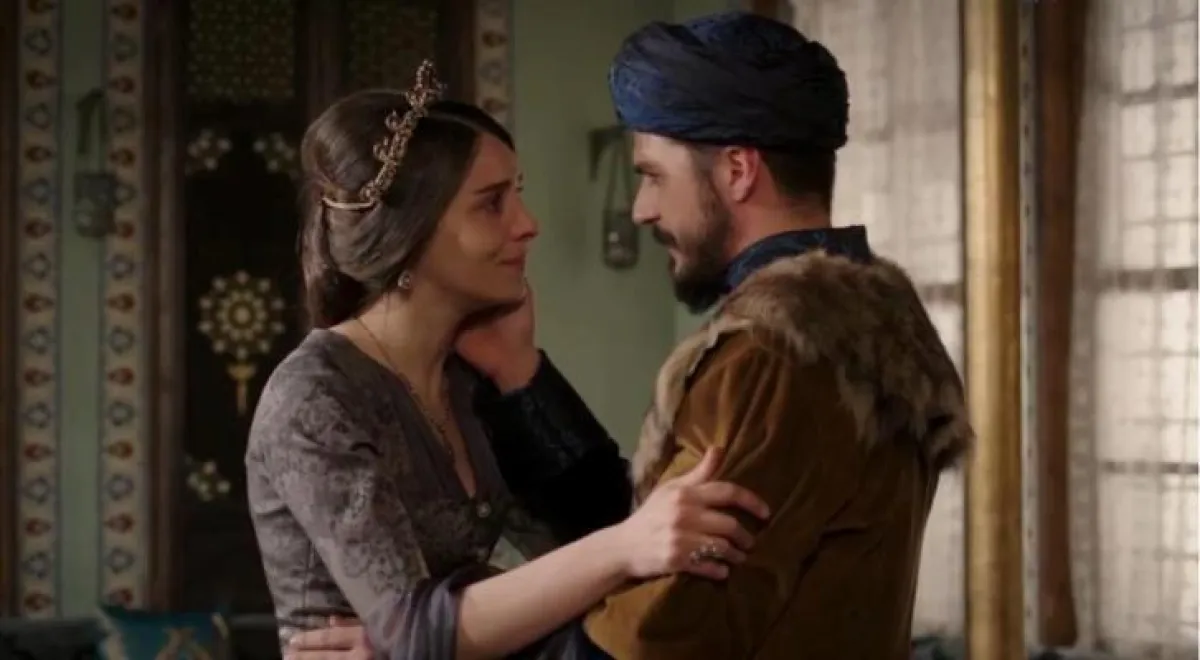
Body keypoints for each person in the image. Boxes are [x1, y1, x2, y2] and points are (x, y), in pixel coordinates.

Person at [289, 10, 975, 660]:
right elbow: (645, 541)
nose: (642, 209)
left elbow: (644, 639)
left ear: (738, 171)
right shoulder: (863, 326)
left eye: (652, 175)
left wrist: (425, 648)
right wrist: (523, 380)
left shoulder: (773, 356)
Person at [246, 60, 771, 660]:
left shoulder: (467, 376)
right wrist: (623, 547)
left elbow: (597, 526)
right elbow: (417, 631)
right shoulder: (316, 397)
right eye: (492, 204)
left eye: (517, 196)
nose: (528, 225)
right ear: (409, 235)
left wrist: (520, 371)